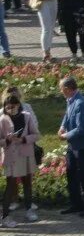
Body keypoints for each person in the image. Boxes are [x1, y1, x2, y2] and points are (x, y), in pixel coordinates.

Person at [57, 76, 84, 215]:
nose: (61, 91)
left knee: (83, 174)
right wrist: (63, 127)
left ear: (68, 89)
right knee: (71, 173)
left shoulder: (81, 103)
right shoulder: (71, 100)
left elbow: (82, 128)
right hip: (72, 145)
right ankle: (76, 204)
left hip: (82, 145)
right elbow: (67, 116)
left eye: (61, 89)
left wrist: (65, 136)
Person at [0, 90, 40, 226]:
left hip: (25, 154)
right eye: (7, 107)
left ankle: (29, 210)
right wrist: (8, 140)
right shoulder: (2, 119)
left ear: (18, 105)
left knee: (27, 183)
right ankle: (5, 216)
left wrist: (23, 139)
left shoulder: (27, 117)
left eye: (13, 106)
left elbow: (36, 135)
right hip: (11, 156)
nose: (10, 109)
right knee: (10, 186)